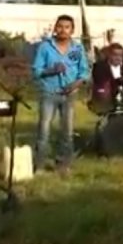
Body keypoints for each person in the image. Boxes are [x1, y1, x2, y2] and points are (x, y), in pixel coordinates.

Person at [31, 14, 90, 174]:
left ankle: (63, 165)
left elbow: (84, 72)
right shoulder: (45, 47)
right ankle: (40, 165)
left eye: (67, 27)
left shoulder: (77, 49)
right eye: (60, 26)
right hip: (49, 93)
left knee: (67, 131)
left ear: (72, 30)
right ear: (55, 28)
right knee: (44, 130)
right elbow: (36, 71)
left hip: (70, 95)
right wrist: (51, 70)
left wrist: (75, 85)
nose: (63, 30)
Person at [90, 43, 123, 113]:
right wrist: (120, 80)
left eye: (120, 55)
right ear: (109, 55)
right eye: (115, 55)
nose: (118, 58)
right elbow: (102, 83)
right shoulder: (100, 67)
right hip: (104, 102)